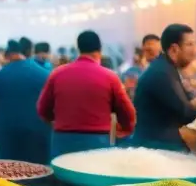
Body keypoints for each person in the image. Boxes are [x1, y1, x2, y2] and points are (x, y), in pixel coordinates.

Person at [38, 30, 136, 158]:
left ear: (79, 48)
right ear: (100, 50)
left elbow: (43, 109)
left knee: (62, 177)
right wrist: (124, 129)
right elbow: (128, 113)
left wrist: (57, 121)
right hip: (97, 144)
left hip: (63, 142)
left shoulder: (57, 74)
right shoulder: (110, 77)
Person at [131, 24, 196, 151]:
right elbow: (185, 112)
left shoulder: (167, 68)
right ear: (174, 49)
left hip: (160, 143)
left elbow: (187, 102)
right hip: (155, 148)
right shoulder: (162, 73)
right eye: (190, 45)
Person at [0, 40, 51, 164]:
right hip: (39, 134)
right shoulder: (45, 75)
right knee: (39, 174)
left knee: (11, 174)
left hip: (9, 136)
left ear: (7, 55)